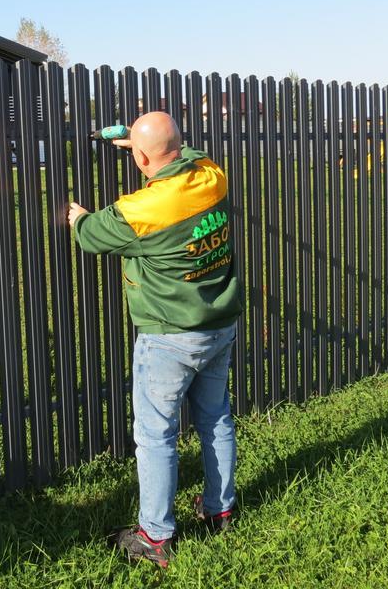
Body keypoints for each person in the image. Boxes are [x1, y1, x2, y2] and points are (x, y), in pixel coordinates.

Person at [67, 111, 243, 568]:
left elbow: (90, 235)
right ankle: (220, 510)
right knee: (216, 418)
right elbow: (189, 155)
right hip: (219, 325)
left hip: (168, 337)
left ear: (143, 158)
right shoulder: (212, 177)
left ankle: (155, 538)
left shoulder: (142, 210)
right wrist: (145, 146)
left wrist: (78, 217)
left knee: (155, 436)